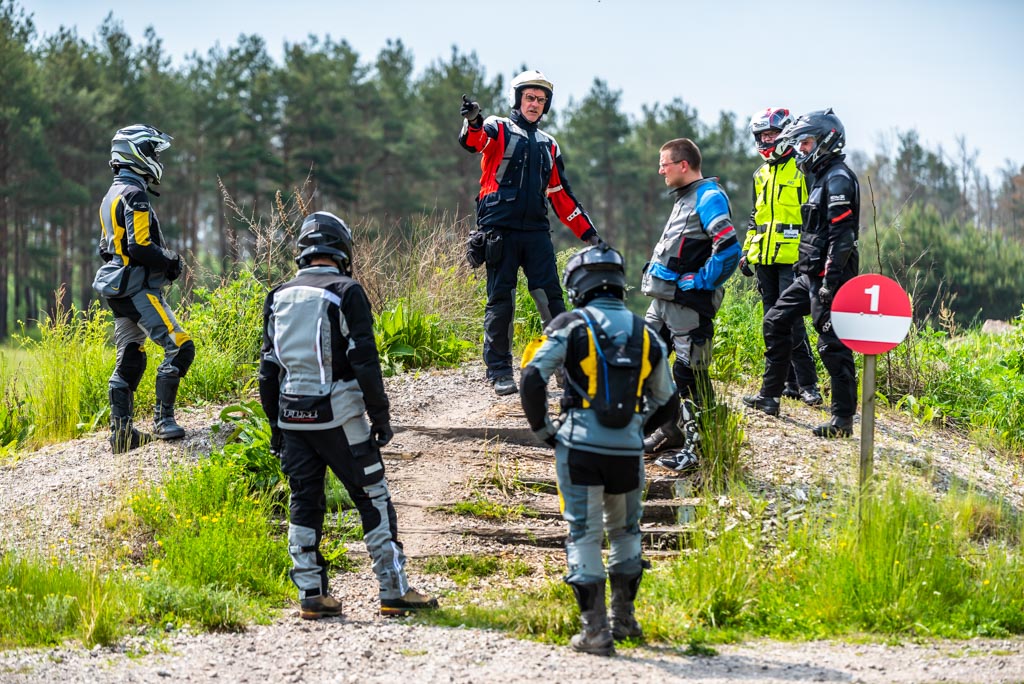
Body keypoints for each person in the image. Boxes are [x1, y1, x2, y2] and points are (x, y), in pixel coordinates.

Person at [258, 211, 438, 619]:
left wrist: (274, 426)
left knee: (304, 501)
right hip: (341, 417)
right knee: (372, 496)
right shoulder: (347, 291)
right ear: (342, 251)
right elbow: (365, 361)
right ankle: (393, 591)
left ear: (303, 252)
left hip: (291, 417)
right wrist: (381, 415)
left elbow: (268, 369)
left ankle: (311, 595)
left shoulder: (278, 294)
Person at [519, 244, 677, 656]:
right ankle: (625, 620)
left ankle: (596, 633)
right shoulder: (646, 332)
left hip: (579, 449)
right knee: (626, 532)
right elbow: (669, 401)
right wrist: (637, 430)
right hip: (627, 453)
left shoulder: (570, 324)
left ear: (577, 284)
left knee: (584, 535)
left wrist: (546, 431)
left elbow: (533, 376)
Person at [459, 69, 603, 397]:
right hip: (499, 231)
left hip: (537, 233)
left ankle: (567, 371)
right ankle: (498, 371)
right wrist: (474, 119)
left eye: (540, 99)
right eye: (529, 97)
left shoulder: (549, 145)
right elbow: (474, 141)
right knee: (501, 302)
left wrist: (589, 234)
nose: (535, 104)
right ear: (518, 99)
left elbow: (561, 196)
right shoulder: (497, 126)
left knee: (552, 301)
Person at [742, 108, 860, 437]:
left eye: (806, 143)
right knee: (776, 320)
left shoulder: (838, 178)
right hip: (808, 274)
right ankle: (770, 396)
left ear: (825, 141)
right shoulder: (821, 176)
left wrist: (830, 284)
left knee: (831, 344)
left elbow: (842, 238)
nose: (801, 149)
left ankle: (842, 420)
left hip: (830, 277)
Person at [640, 138, 742, 472]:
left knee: (689, 375)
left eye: (664, 163)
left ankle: (701, 450)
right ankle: (669, 431)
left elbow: (727, 246)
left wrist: (701, 281)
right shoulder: (685, 196)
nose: (660, 170)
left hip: (688, 305)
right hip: (663, 301)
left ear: (683, 165)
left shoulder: (708, 196)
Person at [92, 124, 194, 454]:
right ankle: (164, 421)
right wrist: (171, 260)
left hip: (117, 291)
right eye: (151, 151)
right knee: (181, 347)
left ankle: (121, 433)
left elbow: (105, 247)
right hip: (138, 289)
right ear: (136, 154)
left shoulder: (111, 195)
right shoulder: (135, 195)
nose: (155, 157)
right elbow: (140, 246)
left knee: (131, 356)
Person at [740, 107, 821, 407]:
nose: (767, 140)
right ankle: (787, 383)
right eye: (762, 136)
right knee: (771, 321)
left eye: (771, 134)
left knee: (791, 321)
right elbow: (755, 218)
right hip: (764, 259)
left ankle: (808, 384)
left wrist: (811, 256)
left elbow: (814, 216)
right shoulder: (759, 174)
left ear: (785, 134)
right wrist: (747, 252)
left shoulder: (802, 169)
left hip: (792, 258)